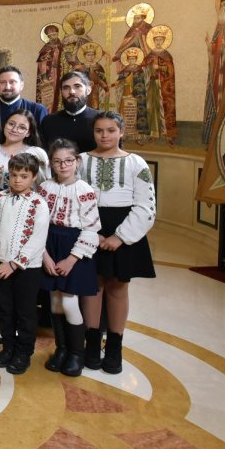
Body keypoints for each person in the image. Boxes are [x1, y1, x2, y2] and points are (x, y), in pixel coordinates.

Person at [78, 112, 156, 375]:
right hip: (90, 226)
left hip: (123, 229)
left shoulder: (136, 163)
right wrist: (92, 233)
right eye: (99, 130)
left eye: (111, 130)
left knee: (117, 287)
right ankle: (91, 343)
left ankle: (114, 345)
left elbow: (146, 205)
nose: (104, 135)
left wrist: (119, 237)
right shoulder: (81, 161)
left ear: (121, 132)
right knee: (93, 286)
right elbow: (74, 196)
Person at [39, 140, 101, 378]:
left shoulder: (84, 190)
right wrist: (44, 255)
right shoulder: (44, 187)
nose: (63, 165)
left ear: (77, 162)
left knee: (69, 302)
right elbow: (38, 222)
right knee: (54, 302)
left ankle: (77, 352)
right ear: (51, 164)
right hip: (49, 243)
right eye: (57, 161)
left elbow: (91, 228)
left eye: (68, 160)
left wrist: (71, 259)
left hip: (72, 247)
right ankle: (61, 349)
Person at [0, 153, 50, 375]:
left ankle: (23, 352)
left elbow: (37, 240)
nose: (18, 180)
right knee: (5, 311)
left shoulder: (38, 204)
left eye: (24, 176)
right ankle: (8, 348)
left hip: (25, 270)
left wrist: (13, 265)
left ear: (33, 177)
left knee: (25, 312)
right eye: (14, 175)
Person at [0, 66, 48, 152]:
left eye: (12, 82)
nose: (7, 87)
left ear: (21, 85)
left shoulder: (37, 110)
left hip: (27, 163)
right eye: (2, 82)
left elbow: (43, 145)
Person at [0, 109, 50, 193]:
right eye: (11, 124)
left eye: (22, 127)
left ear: (28, 133)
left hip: (30, 204)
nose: (14, 129)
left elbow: (46, 186)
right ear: (4, 125)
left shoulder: (38, 154)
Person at [203, 0, 225, 145]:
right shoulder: (218, 28)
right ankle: (213, 128)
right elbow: (214, 49)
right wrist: (210, 46)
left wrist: (223, 46)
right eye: (221, 4)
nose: (223, 7)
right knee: (215, 95)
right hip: (217, 71)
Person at [39, 71, 100, 153]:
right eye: (66, 88)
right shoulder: (49, 121)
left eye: (77, 86)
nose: (72, 92)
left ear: (88, 90)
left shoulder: (100, 119)